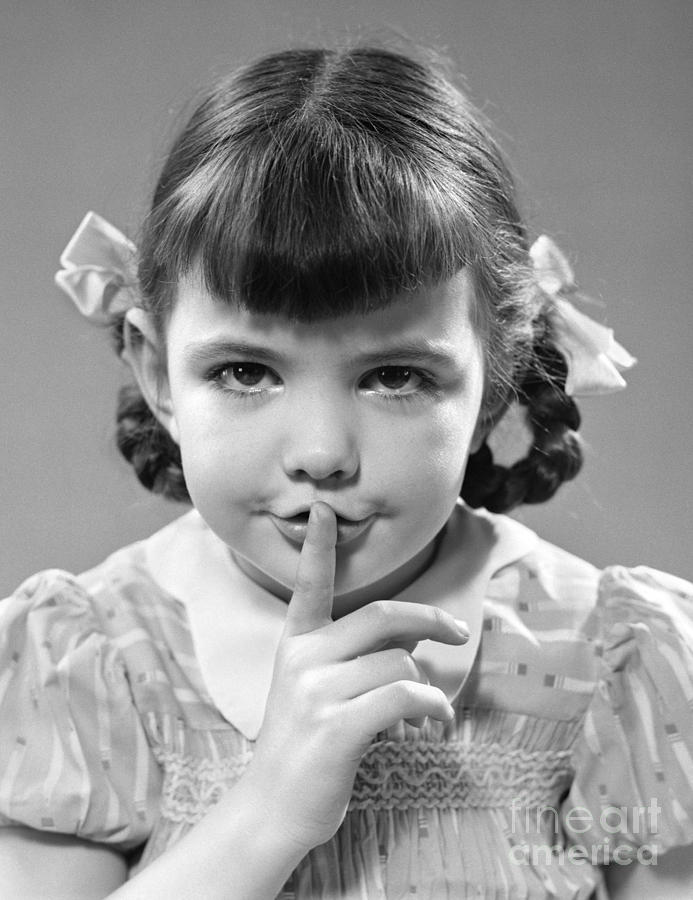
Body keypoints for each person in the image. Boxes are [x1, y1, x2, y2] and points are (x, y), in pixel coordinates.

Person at [0, 45, 691, 900]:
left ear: (494, 383)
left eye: (395, 375)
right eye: (244, 372)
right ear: (154, 371)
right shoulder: (87, 662)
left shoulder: (614, 661)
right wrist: (267, 811)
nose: (322, 452)